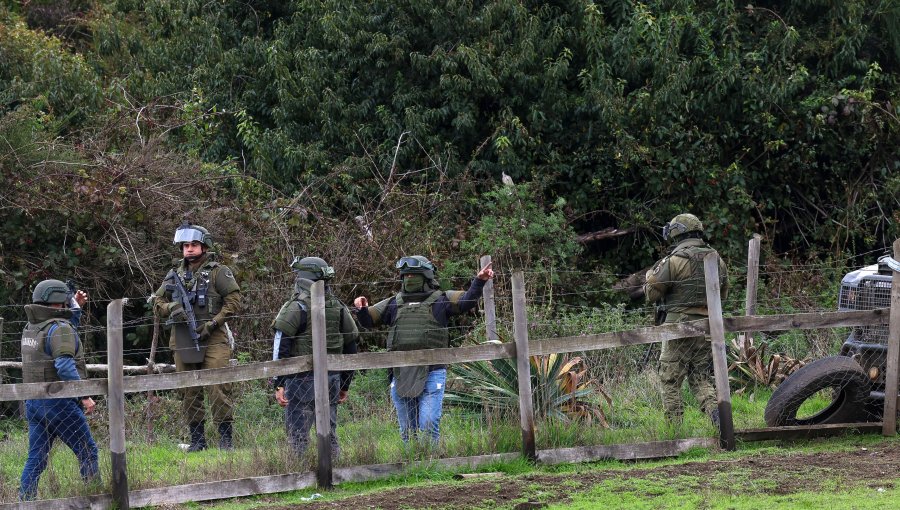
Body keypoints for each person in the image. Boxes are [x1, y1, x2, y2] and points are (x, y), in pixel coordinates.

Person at [354, 256, 494, 443]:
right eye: (406, 275)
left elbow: (466, 301)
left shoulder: (441, 300)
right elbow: (369, 321)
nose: (409, 278)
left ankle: (430, 466)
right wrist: (362, 308)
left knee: (428, 424)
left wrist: (479, 281)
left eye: (414, 274)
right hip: (401, 373)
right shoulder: (394, 303)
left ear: (425, 276)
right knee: (407, 431)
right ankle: (412, 468)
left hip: (432, 371)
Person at [153, 222, 242, 451]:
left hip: (213, 337)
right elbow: (157, 302)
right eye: (185, 245)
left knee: (218, 387)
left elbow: (233, 301)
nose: (189, 249)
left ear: (204, 246)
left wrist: (213, 324)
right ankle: (198, 441)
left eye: (194, 245)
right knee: (188, 390)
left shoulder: (218, 271)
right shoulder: (174, 274)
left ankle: (225, 441)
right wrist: (172, 307)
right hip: (182, 338)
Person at [644, 213, 728, 425]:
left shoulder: (674, 261)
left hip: (677, 329)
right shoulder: (717, 259)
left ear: (676, 234)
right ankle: (718, 419)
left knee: (670, 379)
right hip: (708, 328)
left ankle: (675, 430)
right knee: (700, 378)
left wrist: (649, 276)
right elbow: (723, 295)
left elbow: (651, 294)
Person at [271, 257, 359, 458]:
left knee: (297, 433)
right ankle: (335, 471)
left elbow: (281, 346)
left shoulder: (295, 306)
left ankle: (298, 473)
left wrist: (278, 383)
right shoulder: (338, 306)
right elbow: (351, 346)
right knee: (329, 431)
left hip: (300, 379)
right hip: (332, 378)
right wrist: (345, 383)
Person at [19, 279, 99, 500]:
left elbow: (60, 330)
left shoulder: (32, 327)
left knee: (36, 459)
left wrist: (75, 308)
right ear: (58, 301)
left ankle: (25, 503)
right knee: (88, 452)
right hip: (59, 403)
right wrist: (84, 396)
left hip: (34, 403)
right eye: (66, 298)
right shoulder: (59, 328)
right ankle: (97, 501)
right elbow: (64, 364)